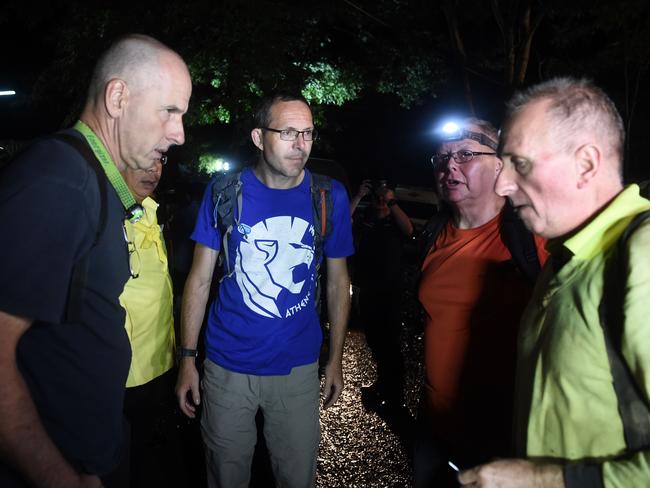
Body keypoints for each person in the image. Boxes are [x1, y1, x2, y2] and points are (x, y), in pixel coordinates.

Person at [0, 34, 191, 488]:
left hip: (93, 452)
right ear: (117, 96)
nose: (180, 134)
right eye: (170, 111)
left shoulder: (94, 181)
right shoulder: (61, 181)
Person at [459, 77, 650, 487]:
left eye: (520, 163)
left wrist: (547, 479)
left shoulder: (642, 256)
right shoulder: (563, 256)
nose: (502, 184)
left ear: (586, 164)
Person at [175, 93, 354, 488]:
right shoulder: (224, 192)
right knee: (226, 475)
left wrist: (335, 358)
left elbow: (340, 282)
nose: (300, 144)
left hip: (297, 367)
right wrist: (187, 358)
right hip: (226, 365)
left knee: (295, 477)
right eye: (287, 132)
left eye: (307, 133)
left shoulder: (328, 197)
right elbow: (200, 279)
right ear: (259, 137)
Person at [414, 118, 548, 487]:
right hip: (434, 427)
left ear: (501, 164)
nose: (449, 166)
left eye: (466, 154)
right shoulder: (434, 232)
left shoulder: (531, 236)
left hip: (502, 432)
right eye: (441, 158)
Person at [120, 158, 183, 487]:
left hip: (161, 357)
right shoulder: (106, 212)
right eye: (145, 162)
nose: (154, 170)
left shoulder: (150, 209)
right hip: (126, 370)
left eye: (160, 161)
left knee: (152, 450)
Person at [350, 179, 413, 410]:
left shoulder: (393, 222)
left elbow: (409, 229)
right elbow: (341, 223)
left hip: (390, 292)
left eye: (384, 198)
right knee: (375, 341)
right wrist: (358, 196)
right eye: (378, 197)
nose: (380, 201)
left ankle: (394, 393)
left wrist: (391, 201)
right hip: (368, 289)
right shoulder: (365, 219)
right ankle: (384, 385)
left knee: (390, 343)